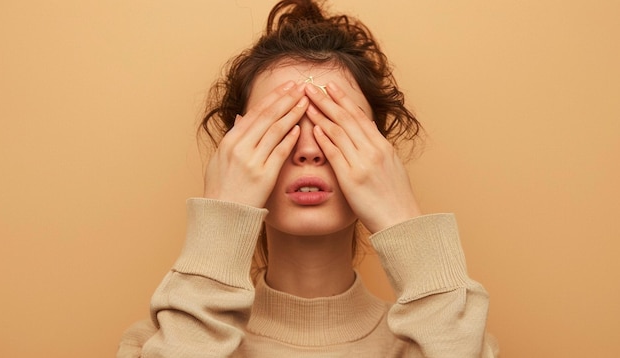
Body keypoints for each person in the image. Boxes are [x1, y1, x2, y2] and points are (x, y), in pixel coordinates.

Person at [117, 0, 499, 357]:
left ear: (379, 156)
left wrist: (403, 217)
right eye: (279, 127)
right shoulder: (157, 343)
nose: (309, 152)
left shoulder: (440, 338)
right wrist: (221, 218)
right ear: (234, 153)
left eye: (335, 127)